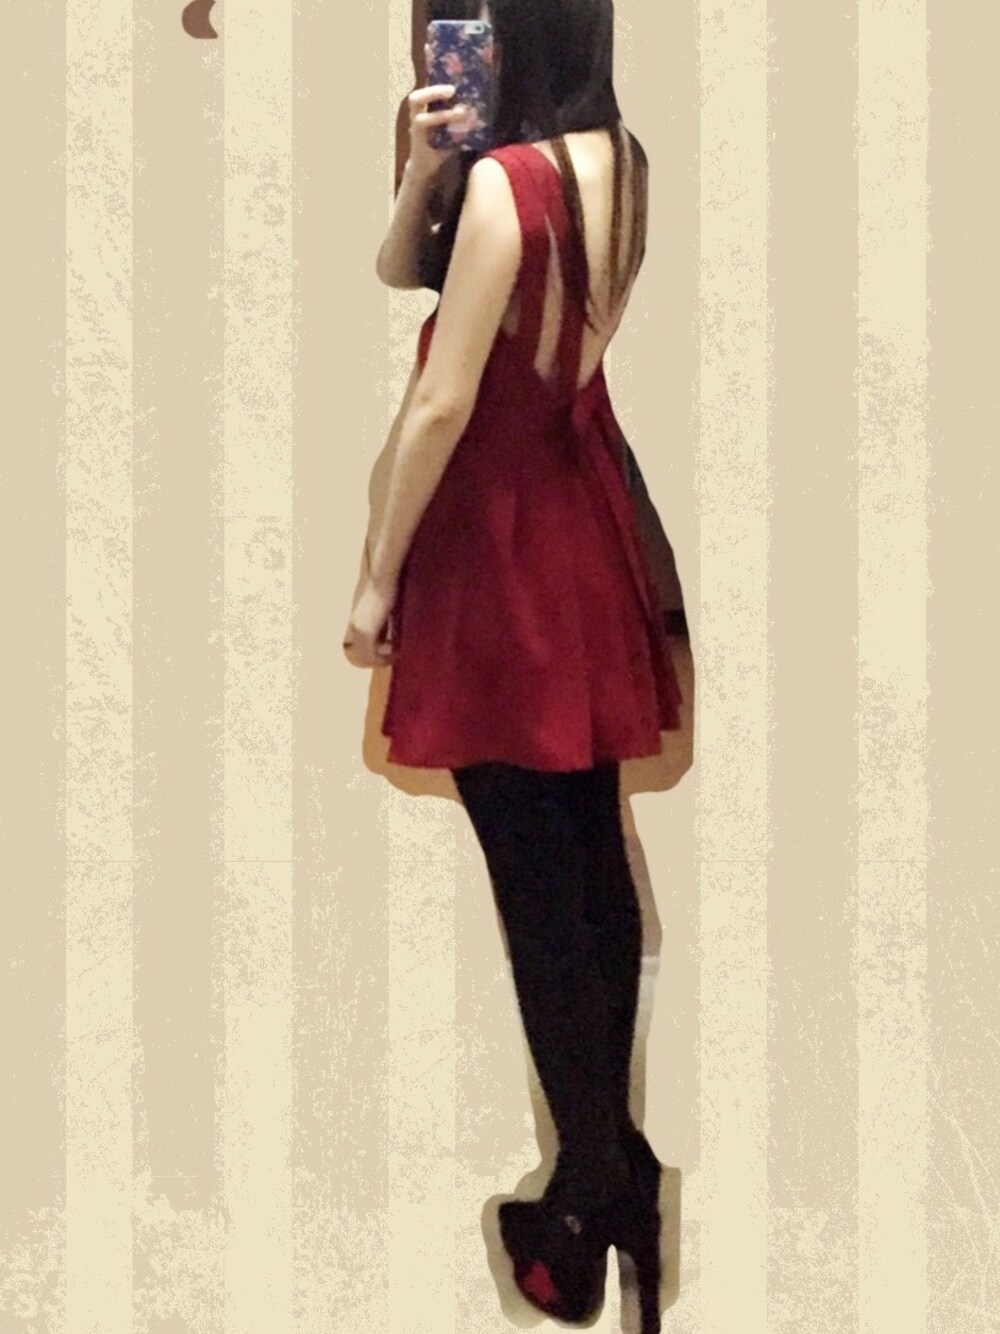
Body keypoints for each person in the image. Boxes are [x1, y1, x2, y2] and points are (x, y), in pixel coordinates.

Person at [343, 4, 687, 1330]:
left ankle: (588, 1199)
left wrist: (377, 578)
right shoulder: (619, 159)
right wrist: (423, 167)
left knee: (539, 886)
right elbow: (403, 272)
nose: (456, 40)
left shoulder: (512, 184)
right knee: (589, 851)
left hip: (496, 544)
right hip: (581, 515)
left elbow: (441, 400)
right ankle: (623, 1181)